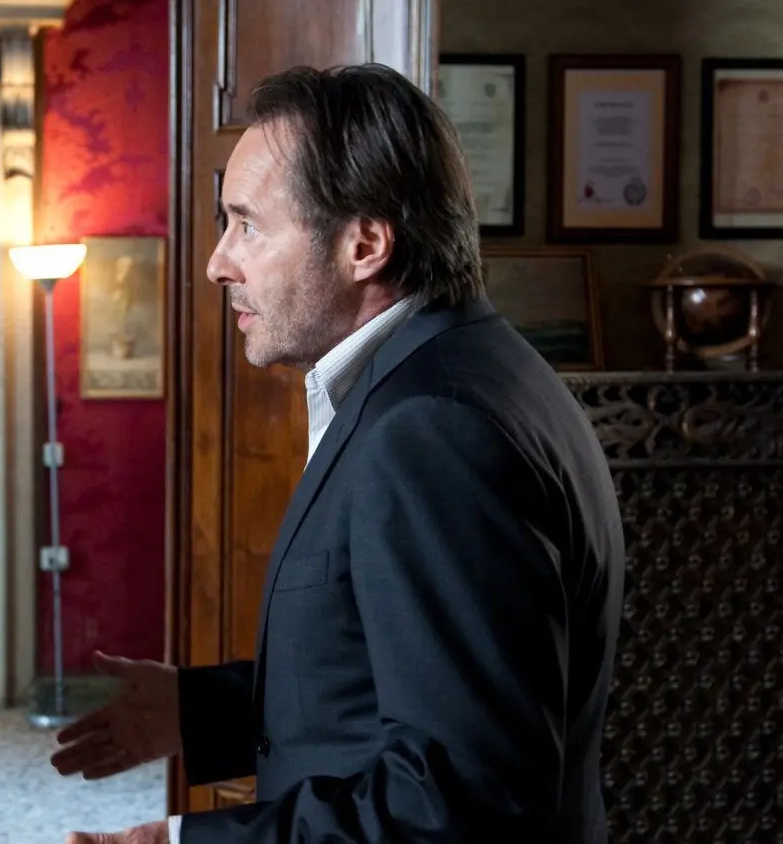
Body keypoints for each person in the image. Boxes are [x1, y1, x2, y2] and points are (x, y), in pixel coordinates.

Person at [52, 63, 624, 844]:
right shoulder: (467, 371)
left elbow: (460, 800)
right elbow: (400, 681)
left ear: (364, 245)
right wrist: (204, 709)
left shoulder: (431, 429)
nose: (219, 262)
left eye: (248, 225)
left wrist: (183, 842)